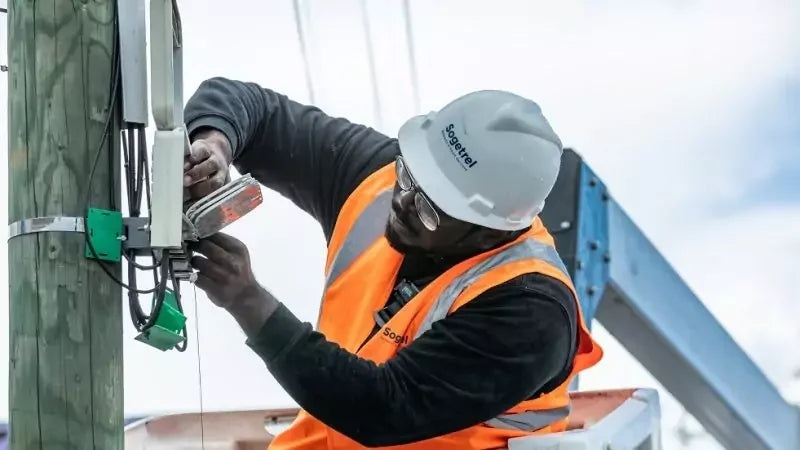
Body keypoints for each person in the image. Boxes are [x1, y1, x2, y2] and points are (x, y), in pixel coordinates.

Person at [182, 77, 603, 450]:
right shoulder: (379, 179)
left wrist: (248, 302)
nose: (400, 202)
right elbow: (252, 108)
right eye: (408, 177)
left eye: (429, 210)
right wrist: (214, 148)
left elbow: (381, 407)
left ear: (489, 233)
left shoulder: (531, 312)